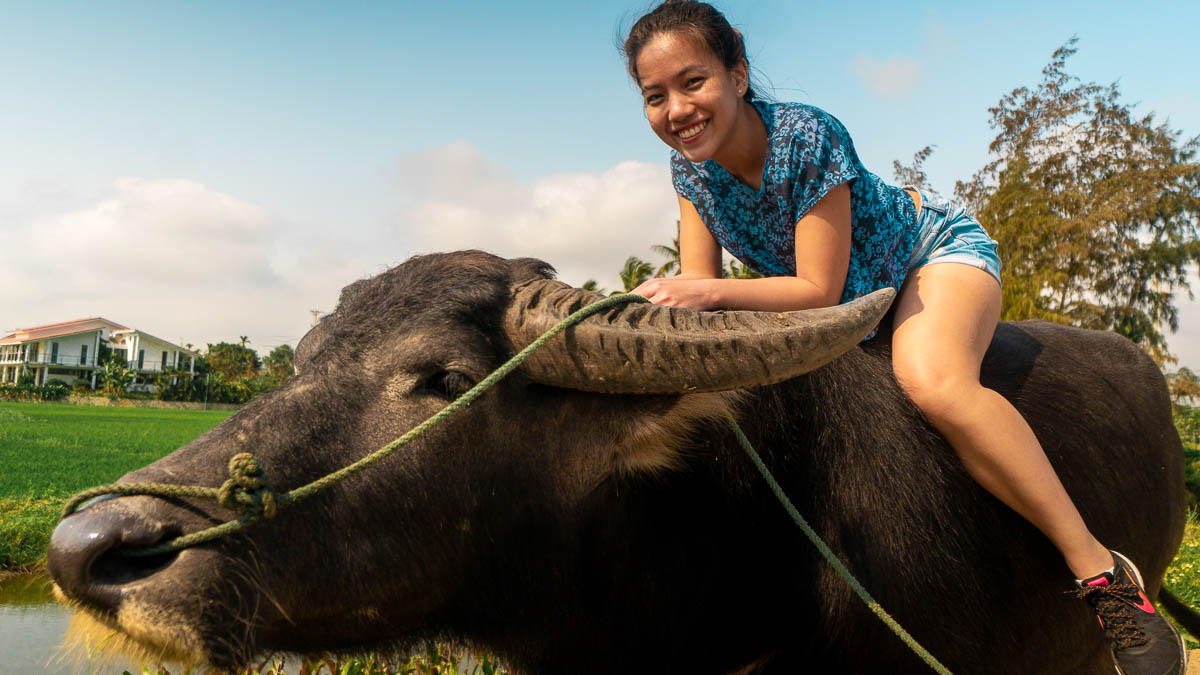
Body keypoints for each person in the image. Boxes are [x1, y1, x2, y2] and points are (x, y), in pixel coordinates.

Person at [621, 2, 1186, 673]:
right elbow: (698, 299)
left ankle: (1104, 577)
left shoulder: (806, 138)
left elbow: (813, 290)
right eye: (655, 96)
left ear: (738, 72)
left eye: (693, 82)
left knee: (934, 382)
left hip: (926, 260)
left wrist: (700, 292)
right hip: (850, 318)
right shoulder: (690, 173)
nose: (676, 109)